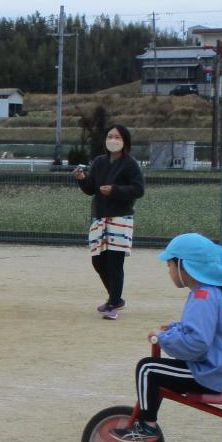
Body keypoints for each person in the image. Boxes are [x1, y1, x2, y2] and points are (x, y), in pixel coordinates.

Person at [109, 233, 222, 442]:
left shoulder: (202, 297)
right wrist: (173, 328)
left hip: (210, 371)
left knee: (148, 369)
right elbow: (199, 329)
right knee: (155, 369)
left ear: (185, 266)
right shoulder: (210, 292)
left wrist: (163, 338)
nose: (169, 271)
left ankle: (147, 427)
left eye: (170, 265)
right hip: (218, 366)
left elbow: (196, 343)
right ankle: (147, 423)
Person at [74, 123, 144, 320]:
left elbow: (138, 190)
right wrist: (82, 178)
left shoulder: (130, 164)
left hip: (120, 218)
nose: (113, 140)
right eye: (110, 136)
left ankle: (113, 303)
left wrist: (115, 190)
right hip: (99, 217)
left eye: (117, 137)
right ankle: (116, 298)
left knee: (115, 262)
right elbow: (91, 189)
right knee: (97, 261)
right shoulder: (99, 162)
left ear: (125, 141)